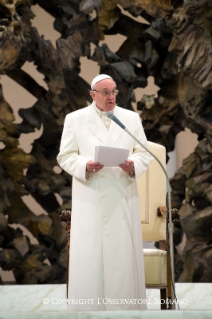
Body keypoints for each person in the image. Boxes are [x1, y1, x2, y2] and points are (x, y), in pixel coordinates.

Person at [57, 74, 153, 311]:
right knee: (91, 262)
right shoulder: (75, 119)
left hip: (122, 197)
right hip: (91, 199)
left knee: (121, 263)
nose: (111, 97)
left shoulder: (130, 118)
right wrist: (84, 166)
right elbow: (65, 156)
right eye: (105, 93)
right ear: (93, 94)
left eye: (113, 92)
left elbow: (144, 153)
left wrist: (133, 164)